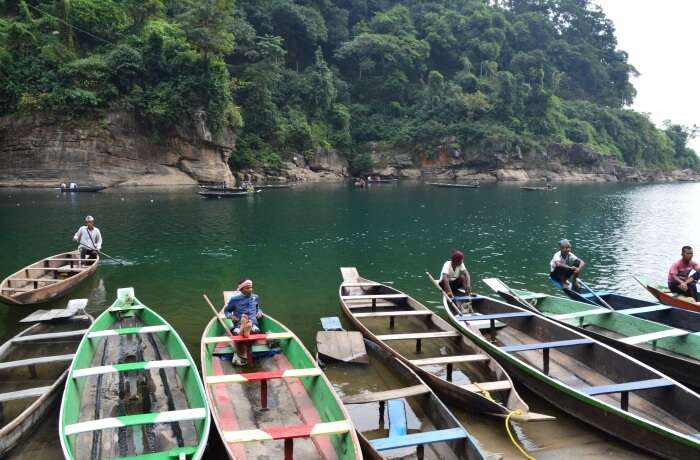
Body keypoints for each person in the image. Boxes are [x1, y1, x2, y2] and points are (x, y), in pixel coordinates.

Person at [224, 279, 263, 366]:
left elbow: (258, 308)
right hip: (238, 324)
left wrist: (259, 312)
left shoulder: (255, 297)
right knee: (239, 332)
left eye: (251, 287)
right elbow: (226, 311)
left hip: (253, 324)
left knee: (254, 330)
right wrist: (231, 316)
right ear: (241, 289)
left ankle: (245, 328)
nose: (250, 289)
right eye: (247, 288)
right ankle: (244, 328)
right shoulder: (235, 299)